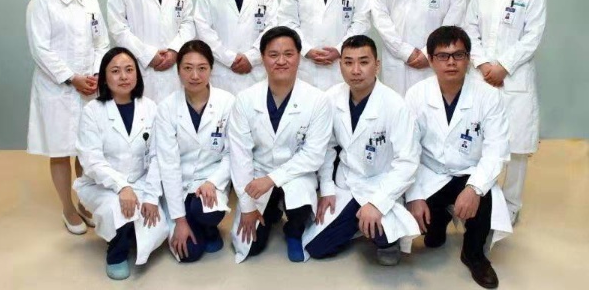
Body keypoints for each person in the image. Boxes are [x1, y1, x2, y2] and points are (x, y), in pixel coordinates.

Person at [405, 26, 512, 289]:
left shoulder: (489, 97)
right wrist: (414, 195)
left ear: (468, 59)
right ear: (431, 60)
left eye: (458, 55)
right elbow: (407, 149)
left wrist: (474, 188)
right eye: (443, 56)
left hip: (468, 170)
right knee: (425, 231)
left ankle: (474, 255)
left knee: (483, 196)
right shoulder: (416, 95)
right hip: (430, 172)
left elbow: (496, 150)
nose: (451, 62)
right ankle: (438, 222)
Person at [303, 35, 420, 265]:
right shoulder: (331, 98)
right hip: (347, 181)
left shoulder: (395, 105)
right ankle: (357, 222)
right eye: (348, 62)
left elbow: (407, 162)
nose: (356, 70)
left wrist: (377, 203)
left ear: (377, 65)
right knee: (316, 248)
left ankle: (385, 238)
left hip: (381, 183)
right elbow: (326, 147)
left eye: (364, 62)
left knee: (382, 231)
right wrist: (326, 189)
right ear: (340, 66)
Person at [465, 0, 546, 225]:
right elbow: (470, 31)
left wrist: (503, 67)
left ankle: (511, 205)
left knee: (516, 147)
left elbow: (532, 37)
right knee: (478, 141)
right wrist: (484, 65)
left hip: (515, 79)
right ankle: (480, 198)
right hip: (482, 76)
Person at [228, 26, 332, 263]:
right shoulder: (245, 99)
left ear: (299, 56)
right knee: (251, 247)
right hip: (257, 174)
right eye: (273, 55)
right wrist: (247, 208)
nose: (281, 61)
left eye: (289, 54)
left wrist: (272, 179)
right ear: (262, 58)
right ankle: (272, 209)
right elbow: (240, 156)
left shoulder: (317, 100)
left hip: (297, 174)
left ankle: (294, 230)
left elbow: (314, 155)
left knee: (299, 201)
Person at [26, 0, 109, 235]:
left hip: (89, 87)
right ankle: (67, 208)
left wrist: (96, 73)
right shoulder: (41, 3)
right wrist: (72, 77)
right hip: (58, 89)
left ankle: (85, 202)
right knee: (61, 150)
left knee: (86, 151)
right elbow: (40, 49)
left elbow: (102, 42)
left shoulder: (91, 4)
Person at [74, 47, 168, 280]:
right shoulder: (92, 111)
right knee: (119, 210)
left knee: (155, 222)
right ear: (105, 77)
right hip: (102, 185)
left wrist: (151, 195)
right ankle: (116, 253)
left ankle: (130, 233)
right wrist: (122, 186)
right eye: (115, 71)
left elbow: (158, 155)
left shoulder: (151, 107)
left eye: (129, 70)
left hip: (142, 181)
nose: (124, 76)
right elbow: (91, 160)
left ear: (137, 74)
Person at [155, 40, 235, 263]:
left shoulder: (227, 103)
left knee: (206, 210)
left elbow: (233, 154)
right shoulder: (166, 108)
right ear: (178, 70)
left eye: (202, 68)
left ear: (211, 69)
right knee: (188, 253)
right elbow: (168, 165)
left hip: (211, 181)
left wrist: (213, 181)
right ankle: (189, 219)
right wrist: (179, 221)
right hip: (179, 182)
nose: (195, 75)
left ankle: (209, 227)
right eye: (187, 68)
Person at [194, 0, 278, 94]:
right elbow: (203, 30)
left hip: (256, 71)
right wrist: (229, 58)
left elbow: (272, 28)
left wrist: (251, 58)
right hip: (222, 71)